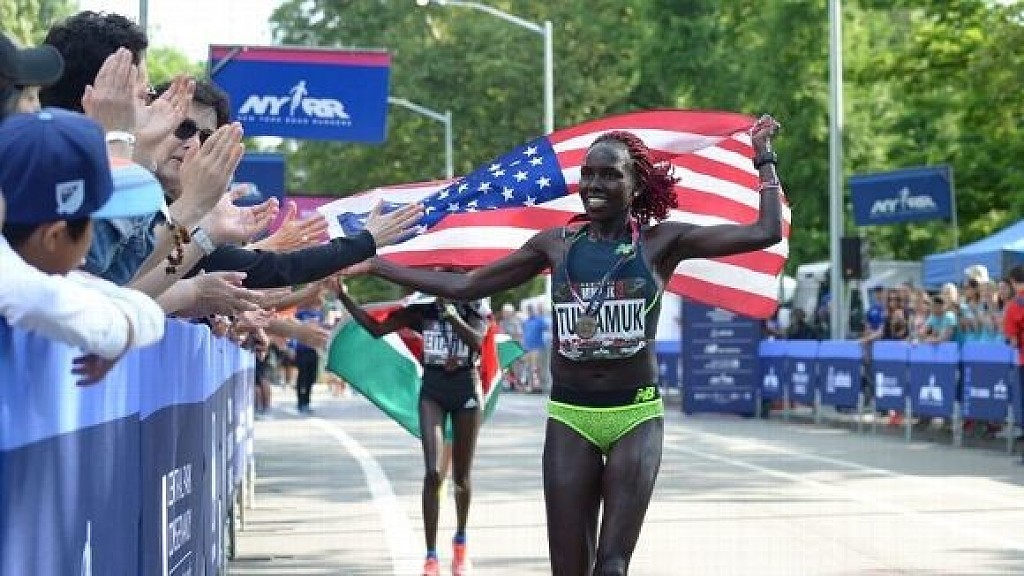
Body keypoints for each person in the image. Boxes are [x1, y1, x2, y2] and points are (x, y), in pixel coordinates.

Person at [345, 116, 785, 575]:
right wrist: (377, 265)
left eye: (610, 174)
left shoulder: (661, 244)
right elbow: (468, 285)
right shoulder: (554, 246)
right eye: (588, 174)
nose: (594, 184)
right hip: (570, 416)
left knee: (611, 567)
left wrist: (763, 157)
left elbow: (764, 232)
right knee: (568, 570)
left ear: (636, 185)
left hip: (634, 415)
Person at [336, 287, 488, 576]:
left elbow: (477, 342)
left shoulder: (474, 307)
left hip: (466, 390)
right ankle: (431, 557)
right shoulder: (423, 310)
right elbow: (376, 329)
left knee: (461, 478)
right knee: (433, 472)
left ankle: (460, 543)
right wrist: (344, 297)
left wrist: (451, 314)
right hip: (433, 391)